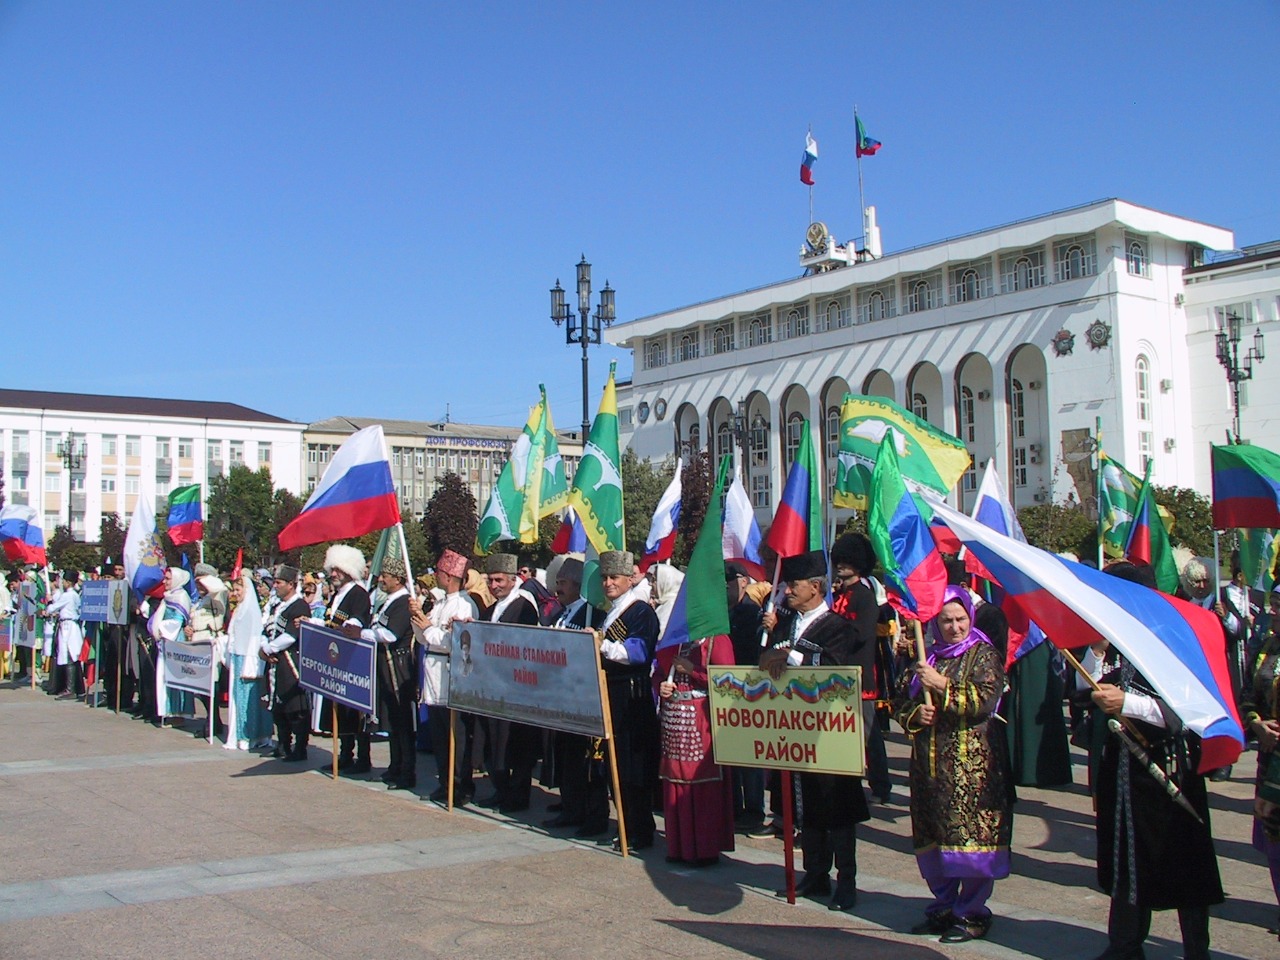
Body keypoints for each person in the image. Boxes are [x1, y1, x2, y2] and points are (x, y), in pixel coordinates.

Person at [1082, 561, 1221, 960]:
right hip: (1124, 774)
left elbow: (1189, 710)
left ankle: (1197, 950)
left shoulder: (1172, 636)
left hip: (1168, 770)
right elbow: (1083, 687)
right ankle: (1124, 945)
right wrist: (1094, 659)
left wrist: (1129, 703)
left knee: (1184, 862)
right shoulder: (1116, 640)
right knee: (1126, 859)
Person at [893, 585, 1011, 943]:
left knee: (970, 841)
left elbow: (985, 699)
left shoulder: (983, 654)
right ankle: (943, 904)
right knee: (932, 837)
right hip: (929, 768)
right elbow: (898, 700)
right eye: (946, 620)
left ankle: (972, 912)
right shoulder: (926, 655)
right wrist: (916, 713)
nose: (955, 627)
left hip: (970, 768)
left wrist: (943, 685)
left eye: (960, 619)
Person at [759, 549, 869, 910]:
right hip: (796, 730)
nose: (787, 590)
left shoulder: (837, 626)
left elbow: (834, 667)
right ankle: (816, 873)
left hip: (831, 731)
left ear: (817, 587)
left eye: (795, 584)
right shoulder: (787, 621)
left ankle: (847, 881)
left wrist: (789, 655)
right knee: (805, 806)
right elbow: (767, 659)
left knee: (837, 806)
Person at [590, 550, 661, 849]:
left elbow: (638, 652)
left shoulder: (640, 611)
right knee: (614, 762)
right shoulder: (612, 612)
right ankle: (624, 824)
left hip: (632, 696)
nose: (608, 583)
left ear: (628, 579)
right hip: (612, 693)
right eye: (605, 578)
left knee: (633, 766)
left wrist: (601, 645)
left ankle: (639, 830)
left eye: (614, 578)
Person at [656, 627, 735, 866]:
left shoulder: (717, 640)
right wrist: (662, 686)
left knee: (702, 783)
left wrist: (694, 672)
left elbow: (728, 681)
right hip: (675, 719)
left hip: (702, 718)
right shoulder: (677, 638)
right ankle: (679, 845)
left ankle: (704, 848)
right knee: (674, 781)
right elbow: (660, 670)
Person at [829, 533, 892, 804]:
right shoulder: (839, 594)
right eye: (839, 561)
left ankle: (881, 785)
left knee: (868, 734)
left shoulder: (864, 596)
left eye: (847, 562)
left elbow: (862, 633)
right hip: (839, 674)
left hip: (860, 674)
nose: (841, 566)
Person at [412, 548, 478, 804]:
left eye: (439, 572)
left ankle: (461, 784)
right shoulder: (440, 603)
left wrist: (427, 629)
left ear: (449, 576)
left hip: (451, 674)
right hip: (433, 672)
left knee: (456, 734)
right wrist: (418, 620)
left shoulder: (464, 604)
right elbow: (424, 638)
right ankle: (445, 780)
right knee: (440, 734)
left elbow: (455, 642)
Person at [543, 557, 603, 830]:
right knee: (564, 753)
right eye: (557, 582)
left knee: (580, 757)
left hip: (580, 697)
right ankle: (568, 800)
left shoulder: (590, 614)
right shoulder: (560, 613)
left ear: (578, 585)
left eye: (563, 583)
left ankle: (582, 808)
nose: (558, 588)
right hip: (559, 695)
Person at [1242, 585, 1280, 942]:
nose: (1278, 611)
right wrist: (1255, 722)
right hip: (1270, 757)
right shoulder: (1267, 647)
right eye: (1277, 604)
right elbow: (1248, 694)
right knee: (1273, 838)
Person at [362, 555, 417, 790]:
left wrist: (362, 634)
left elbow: (390, 634)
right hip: (386, 662)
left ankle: (407, 770)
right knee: (392, 719)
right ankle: (395, 766)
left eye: (386, 575)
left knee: (402, 719)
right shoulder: (389, 601)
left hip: (399, 664)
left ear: (398, 578)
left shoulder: (404, 601)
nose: (381, 579)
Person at [317, 545, 373, 774]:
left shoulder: (358, 594)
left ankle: (362, 758)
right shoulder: (338, 595)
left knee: (355, 712)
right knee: (340, 710)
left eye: (337, 570)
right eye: (332, 570)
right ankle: (345, 753)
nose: (333, 574)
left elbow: (357, 622)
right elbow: (330, 622)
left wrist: (350, 627)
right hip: (336, 658)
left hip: (353, 659)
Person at [260, 566, 311, 762]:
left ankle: (300, 747)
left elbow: (291, 635)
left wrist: (270, 649)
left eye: (279, 582)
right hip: (274, 661)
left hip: (291, 661)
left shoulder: (299, 606)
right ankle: (283, 744)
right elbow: (265, 629)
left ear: (291, 584)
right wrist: (264, 647)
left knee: (294, 706)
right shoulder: (276, 606)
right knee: (277, 705)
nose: (275, 586)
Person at [224, 570, 271, 751]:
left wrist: (251, 664)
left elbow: (255, 638)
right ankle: (240, 735)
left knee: (248, 701)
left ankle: (250, 736)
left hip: (248, 661)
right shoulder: (239, 611)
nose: (235, 593)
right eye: (234, 590)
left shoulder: (252, 612)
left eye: (238, 590)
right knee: (239, 699)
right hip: (237, 657)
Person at [188, 565, 229, 738]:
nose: (199, 584)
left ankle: (213, 722)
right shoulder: (200, 600)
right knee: (201, 686)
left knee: (210, 684)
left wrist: (204, 579)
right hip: (198, 641)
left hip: (210, 641)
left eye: (202, 579)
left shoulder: (218, 594)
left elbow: (219, 587)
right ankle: (213, 720)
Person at [151, 567, 195, 723]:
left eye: (168, 579)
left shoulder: (181, 597)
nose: (165, 581)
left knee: (177, 676)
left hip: (175, 639)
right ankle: (168, 710)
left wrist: (162, 629)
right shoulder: (169, 596)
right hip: (167, 640)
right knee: (165, 675)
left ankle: (179, 712)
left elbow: (177, 621)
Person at [48, 570, 85, 700]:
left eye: (64, 581)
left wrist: (49, 603)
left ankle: (71, 689)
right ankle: (72, 687)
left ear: (68, 582)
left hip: (69, 627)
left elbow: (53, 608)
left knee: (69, 656)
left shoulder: (68, 595)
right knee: (68, 656)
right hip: (68, 625)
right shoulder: (73, 595)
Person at [651, 564, 685, 637]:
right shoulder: (666, 601)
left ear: (665, 582)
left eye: (654, 580)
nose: (650, 583)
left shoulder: (672, 605)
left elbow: (660, 635)